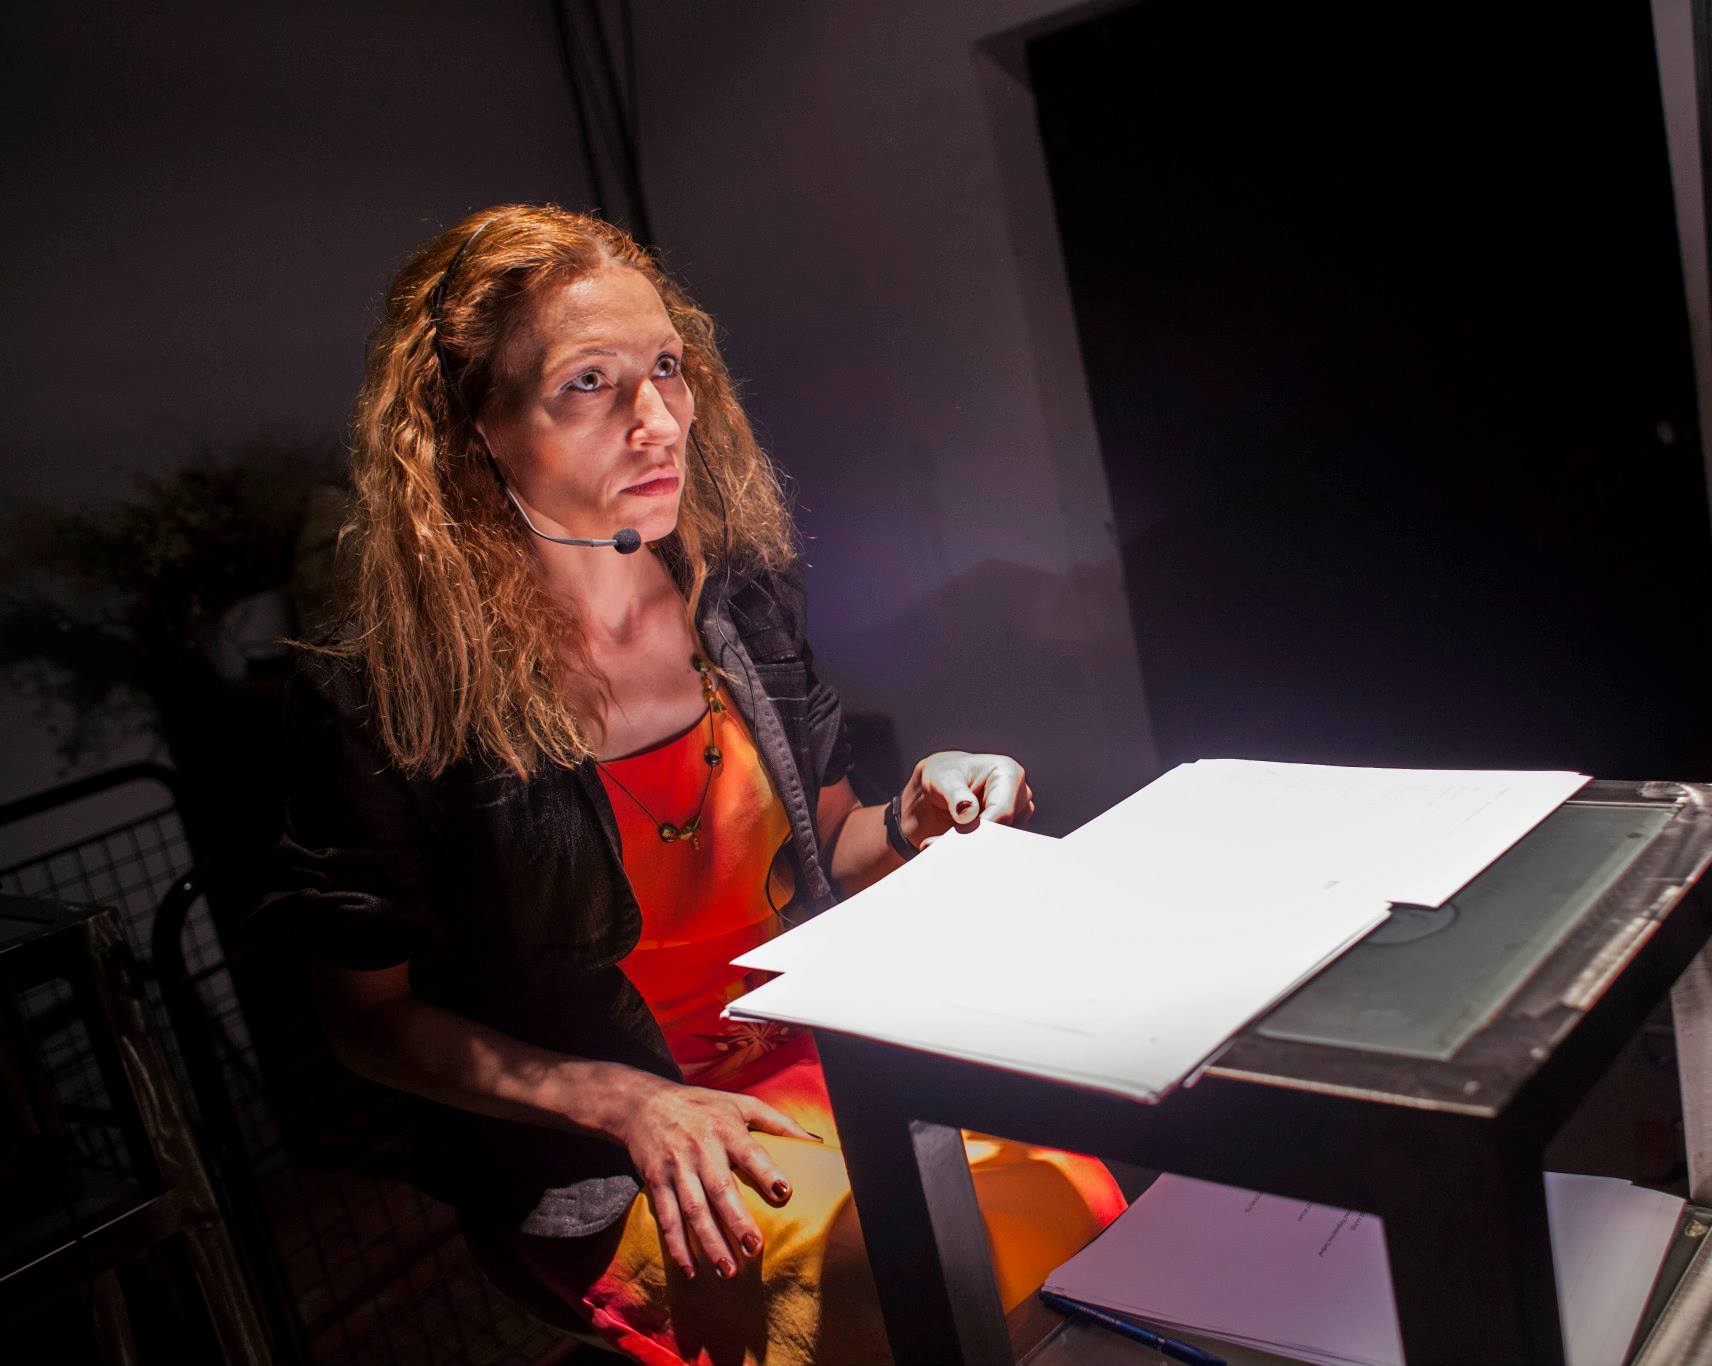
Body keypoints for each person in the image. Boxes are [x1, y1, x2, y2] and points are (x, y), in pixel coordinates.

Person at [259, 203, 1126, 1364]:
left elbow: (824, 847)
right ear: (474, 429)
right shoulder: (386, 694)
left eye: (666, 366)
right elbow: (365, 1022)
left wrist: (915, 812)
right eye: (588, 382)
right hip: (609, 1142)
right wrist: (626, 1102)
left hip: (818, 1057)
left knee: (1071, 1187)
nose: (660, 418)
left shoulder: (737, 596)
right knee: (907, 1283)